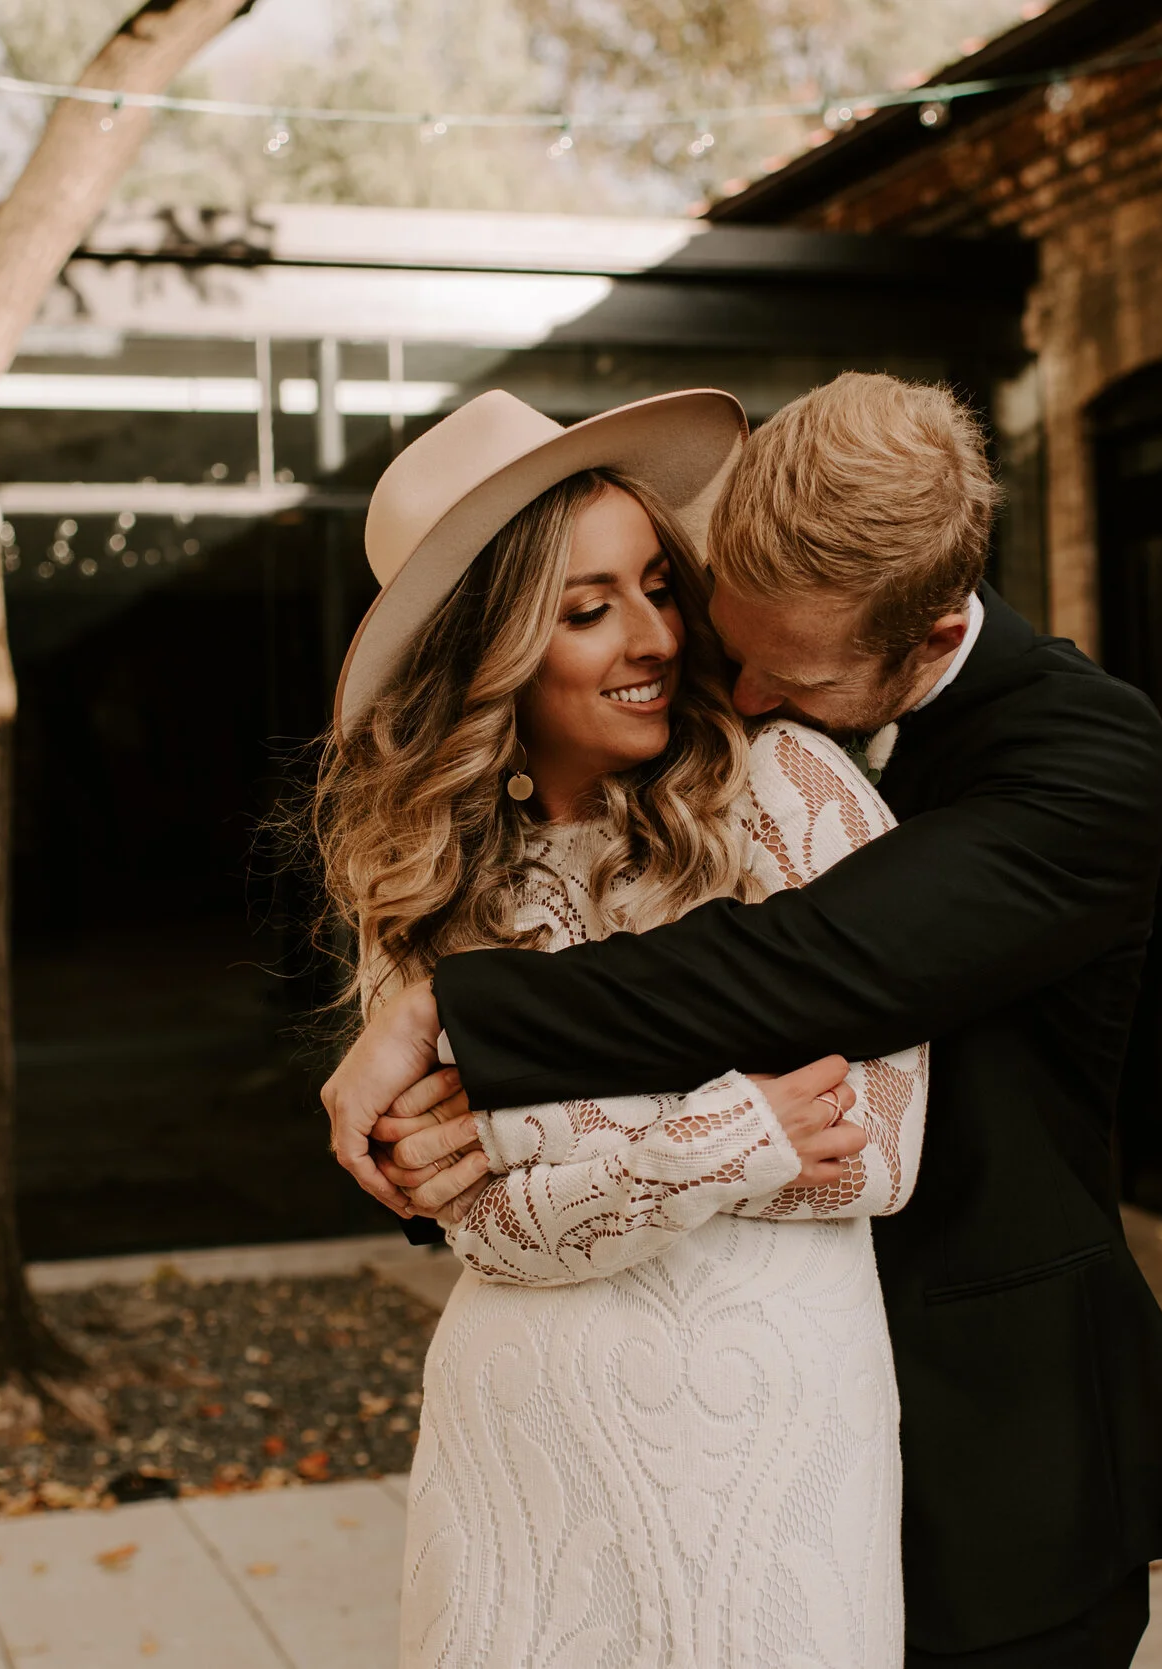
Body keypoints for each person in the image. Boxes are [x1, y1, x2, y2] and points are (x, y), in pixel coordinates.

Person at [329, 372, 1162, 1667]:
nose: (736, 689)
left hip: (985, 1431)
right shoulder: (662, 756)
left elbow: (803, 968)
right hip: (609, 1410)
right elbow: (482, 1196)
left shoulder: (1083, 759)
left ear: (929, 634)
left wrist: (457, 1024)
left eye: (787, 668)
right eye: (722, 630)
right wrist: (459, 1135)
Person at [315, 385, 932, 1667]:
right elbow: (476, 1222)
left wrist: (548, 1139)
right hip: (526, 1440)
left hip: (778, 1431)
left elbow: (874, 1149)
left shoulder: (786, 788)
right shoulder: (427, 880)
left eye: (658, 584)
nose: (654, 632)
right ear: (488, 655)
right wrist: (737, 1129)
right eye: (588, 610)